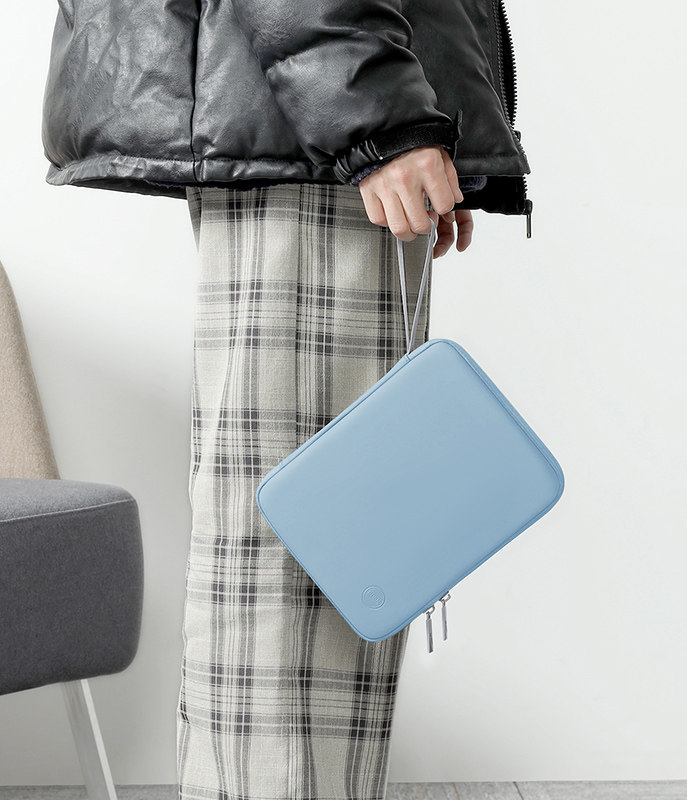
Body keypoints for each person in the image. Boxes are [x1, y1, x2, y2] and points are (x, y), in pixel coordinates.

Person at [41, 1, 532, 798]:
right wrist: (381, 120)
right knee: (303, 555)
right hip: (310, 125)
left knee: (336, 551)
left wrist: (411, 123)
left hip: (307, 116)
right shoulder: (345, 125)